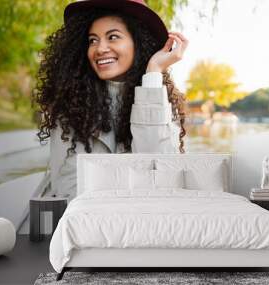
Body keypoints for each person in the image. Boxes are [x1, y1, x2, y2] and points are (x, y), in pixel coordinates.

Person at [33, 0, 189, 199]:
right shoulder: (71, 104)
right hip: (85, 221)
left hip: (144, 221)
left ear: (138, 42)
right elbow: (69, 188)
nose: (100, 49)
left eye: (113, 37)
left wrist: (152, 74)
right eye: (92, 40)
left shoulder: (158, 97)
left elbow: (161, 178)